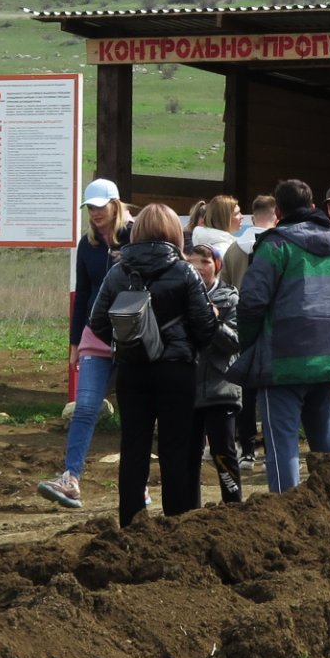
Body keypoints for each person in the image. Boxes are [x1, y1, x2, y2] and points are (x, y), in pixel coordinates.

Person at [87, 203, 217, 524]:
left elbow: (97, 321)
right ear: (174, 233)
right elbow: (206, 329)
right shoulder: (185, 272)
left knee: (133, 449)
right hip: (176, 371)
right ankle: (176, 524)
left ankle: (132, 524)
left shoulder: (117, 272)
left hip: (132, 370)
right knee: (176, 450)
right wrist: (188, 342)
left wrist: (126, 344)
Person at [234, 178, 330, 493]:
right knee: (325, 436)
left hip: (283, 358)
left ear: (278, 212)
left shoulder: (274, 246)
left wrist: (248, 344)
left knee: (282, 444)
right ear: (314, 207)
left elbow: (250, 304)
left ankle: (285, 507)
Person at [38, 179, 133, 511]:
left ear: (115, 204)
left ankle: (136, 484)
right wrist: (75, 341)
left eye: (99, 207)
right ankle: (70, 478)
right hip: (96, 335)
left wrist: (129, 259)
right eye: (90, 208)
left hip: (133, 338)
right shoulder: (87, 244)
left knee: (134, 411)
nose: (94, 213)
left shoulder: (137, 237)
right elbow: (82, 296)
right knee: (86, 407)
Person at [221, 193, 276, 465]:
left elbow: (225, 285)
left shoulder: (233, 250)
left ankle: (247, 450)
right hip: (271, 324)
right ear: (276, 216)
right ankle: (271, 449)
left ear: (253, 218)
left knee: (246, 389)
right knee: (270, 388)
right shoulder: (278, 245)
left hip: (241, 324)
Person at [187, 243, 244, 501]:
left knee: (223, 452)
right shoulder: (182, 296)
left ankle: (234, 507)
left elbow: (236, 343)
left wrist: (213, 320)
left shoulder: (230, 298)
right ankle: (189, 511)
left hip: (221, 387)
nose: (198, 267)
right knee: (188, 453)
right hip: (188, 386)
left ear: (217, 266)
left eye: (205, 262)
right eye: (192, 261)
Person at [193, 195, 241, 261]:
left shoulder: (224, 244)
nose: (242, 216)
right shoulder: (221, 249)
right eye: (237, 213)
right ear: (224, 218)